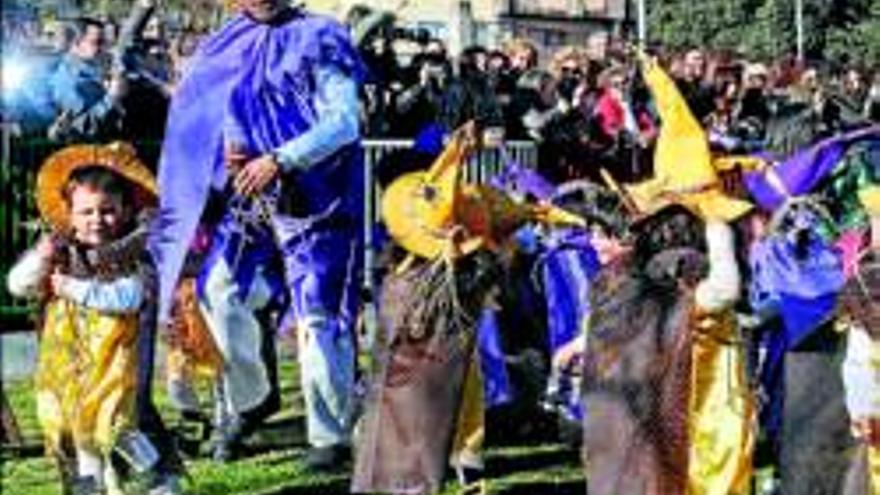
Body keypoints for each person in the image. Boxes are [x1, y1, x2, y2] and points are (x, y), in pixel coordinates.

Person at [148, 0, 366, 470]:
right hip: (253, 199)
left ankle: (330, 435)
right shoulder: (225, 41)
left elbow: (345, 122)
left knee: (318, 318)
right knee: (218, 291)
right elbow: (222, 106)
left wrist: (281, 159)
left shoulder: (320, 36)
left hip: (319, 202)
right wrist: (234, 144)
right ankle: (253, 398)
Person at [6, 143, 176, 495]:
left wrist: (72, 287)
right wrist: (41, 258)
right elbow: (18, 285)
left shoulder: (132, 255)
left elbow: (128, 298)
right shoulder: (60, 252)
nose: (97, 220)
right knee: (80, 433)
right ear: (69, 214)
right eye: (86, 212)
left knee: (116, 427)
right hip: (69, 366)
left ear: (126, 210)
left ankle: (157, 478)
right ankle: (92, 487)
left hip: (114, 366)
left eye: (107, 211)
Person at [46, 17, 128, 142]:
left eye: (105, 42)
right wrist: (112, 97)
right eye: (97, 42)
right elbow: (85, 127)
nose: (104, 47)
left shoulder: (95, 66)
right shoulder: (67, 81)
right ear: (75, 44)